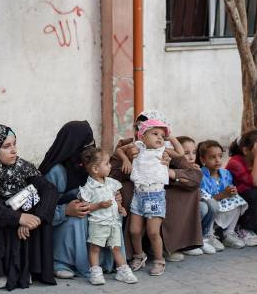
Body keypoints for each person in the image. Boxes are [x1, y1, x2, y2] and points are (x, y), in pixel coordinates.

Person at [0, 124, 58, 291]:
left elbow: (49, 189)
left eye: (14, 144)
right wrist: (18, 218)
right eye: (6, 146)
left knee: (40, 212)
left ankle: (27, 270)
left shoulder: (23, 166)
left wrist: (37, 219)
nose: (13, 150)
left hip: (17, 212)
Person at [111, 111, 205, 264]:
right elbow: (110, 175)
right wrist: (128, 160)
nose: (138, 131)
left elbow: (195, 176)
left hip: (158, 194)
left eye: (158, 132)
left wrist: (168, 172)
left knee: (188, 188)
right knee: (127, 193)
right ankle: (138, 252)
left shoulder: (164, 148)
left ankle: (169, 247)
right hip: (138, 195)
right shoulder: (129, 145)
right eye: (137, 127)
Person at [41, 120, 111, 279]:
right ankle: (61, 263)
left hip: (90, 213)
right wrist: (66, 210)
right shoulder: (55, 172)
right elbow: (41, 210)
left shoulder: (91, 166)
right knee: (77, 220)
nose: (90, 149)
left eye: (91, 143)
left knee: (108, 214)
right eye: (84, 144)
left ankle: (100, 262)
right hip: (60, 222)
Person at [118, 118, 174, 276]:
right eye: (155, 134)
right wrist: (126, 159)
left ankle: (159, 260)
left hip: (155, 196)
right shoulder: (138, 147)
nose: (159, 138)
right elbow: (119, 151)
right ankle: (139, 255)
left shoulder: (162, 151)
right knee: (134, 231)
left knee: (152, 232)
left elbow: (180, 153)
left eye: (162, 136)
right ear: (142, 136)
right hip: (139, 195)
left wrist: (170, 137)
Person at [77, 147, 137, 285]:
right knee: (95, 248)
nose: (110, 166)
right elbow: (85, 206)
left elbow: (117, 199)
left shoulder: (111, 183)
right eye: (107, 164)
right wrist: (98, 205)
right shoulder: (89, 188)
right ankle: (95, 272)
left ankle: (123, 271)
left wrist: (120, 207)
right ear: (95, 169)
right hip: (98, 223)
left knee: (116, 247)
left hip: (114, 222)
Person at [198, 139, 248, 251]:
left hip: (222, 203)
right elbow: (206, 199)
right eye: (212, 157)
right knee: (211, 205)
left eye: (220, 156)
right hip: (210, 206)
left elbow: (228, 191)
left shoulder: (225, 174)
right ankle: (209, 234)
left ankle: (229, 234)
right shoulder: (200, 176)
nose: (217, 160)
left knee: (237, 199)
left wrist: (232, 191)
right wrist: (223, 195)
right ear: (203, 160)